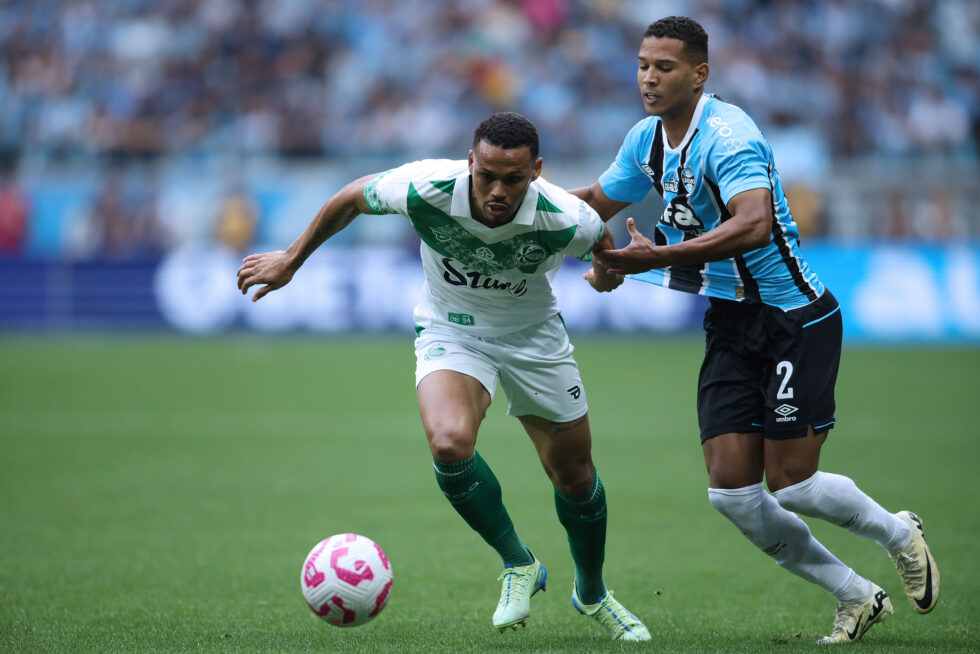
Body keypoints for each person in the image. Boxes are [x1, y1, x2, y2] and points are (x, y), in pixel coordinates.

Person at [572, 17, 940, 644]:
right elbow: (592, 205)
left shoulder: (729, 134)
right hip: (730, 321)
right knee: (733, 494)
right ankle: (855, 595)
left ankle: (899, 533)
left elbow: (754, 225)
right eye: (642, 65)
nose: (649, 78)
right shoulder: (646, 141)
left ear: (699, 73)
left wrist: (650, 258)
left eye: (664, 67)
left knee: (792, 484)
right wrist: (527, 218)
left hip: (793, 317)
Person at [237, 112, 650, 641]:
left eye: (515, 179)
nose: (499, 190)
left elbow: (602, 250)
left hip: (534, 338)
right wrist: (292, 260)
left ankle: (592, 594)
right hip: (451, 328)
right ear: (470, 162)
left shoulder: (566, 217)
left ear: (537, 171)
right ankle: (518, 563)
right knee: (450, 442)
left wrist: (606, 275)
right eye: (487, 176)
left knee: (575, 476)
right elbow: (350, 198)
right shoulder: (425, 187)